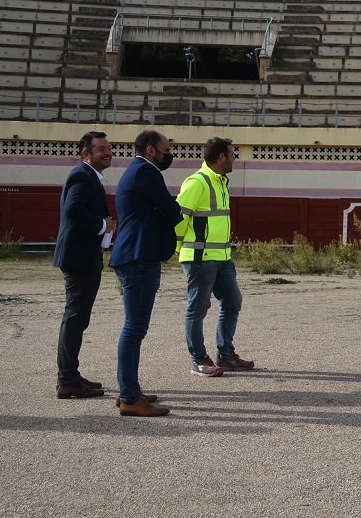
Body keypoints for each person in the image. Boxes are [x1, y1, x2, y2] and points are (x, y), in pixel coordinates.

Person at [110, 130, 183, 417]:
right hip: (139, 257)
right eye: (166, 150)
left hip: (136, 255)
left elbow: (164, 209)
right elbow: (173, 211)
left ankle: (129, 389)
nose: (170, 155)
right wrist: (163, 209)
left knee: (134, 327)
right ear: (152, 150)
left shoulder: (137, 171)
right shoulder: (147, 172)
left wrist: (161, 209)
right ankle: (129, 396)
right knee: (135, 327)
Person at [176, 137, 254, 377]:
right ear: (221, 156)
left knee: (233, 301)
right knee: (198, 308)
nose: (234, 159)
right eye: (232, 154)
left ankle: (226, 355)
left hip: (222, 257)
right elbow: (177, 219)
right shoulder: (197, 183)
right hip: (200, 257)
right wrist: (179, 248)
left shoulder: (221, 182)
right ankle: (198, 359)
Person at [53, 131, 117, 399]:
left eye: (109, 148)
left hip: (82, 255)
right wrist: (103, 225)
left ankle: (71, 375)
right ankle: (67, 379)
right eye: (101, 149)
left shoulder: (90, 177)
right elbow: (73, 209)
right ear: (86, 154)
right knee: (75, 318)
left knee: (77, 318)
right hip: (79, 258)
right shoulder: (82, 176)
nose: (107, 152)